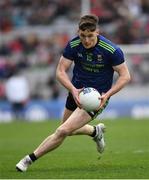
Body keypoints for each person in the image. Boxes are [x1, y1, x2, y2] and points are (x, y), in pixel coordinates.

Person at [16, 14, 131, 172]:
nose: (86, 40)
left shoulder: (111, 50)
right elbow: (60, 71)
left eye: (90, 36)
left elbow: (125, 76)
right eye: (82, 35)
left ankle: (28, 159)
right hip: (76, 92)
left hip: (96, 99)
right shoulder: (74, 44)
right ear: (78, 32)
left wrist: (107, 95)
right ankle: (94, 131)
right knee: (67, 129)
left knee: (62, 130)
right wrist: (73, 90)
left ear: (98, 32)